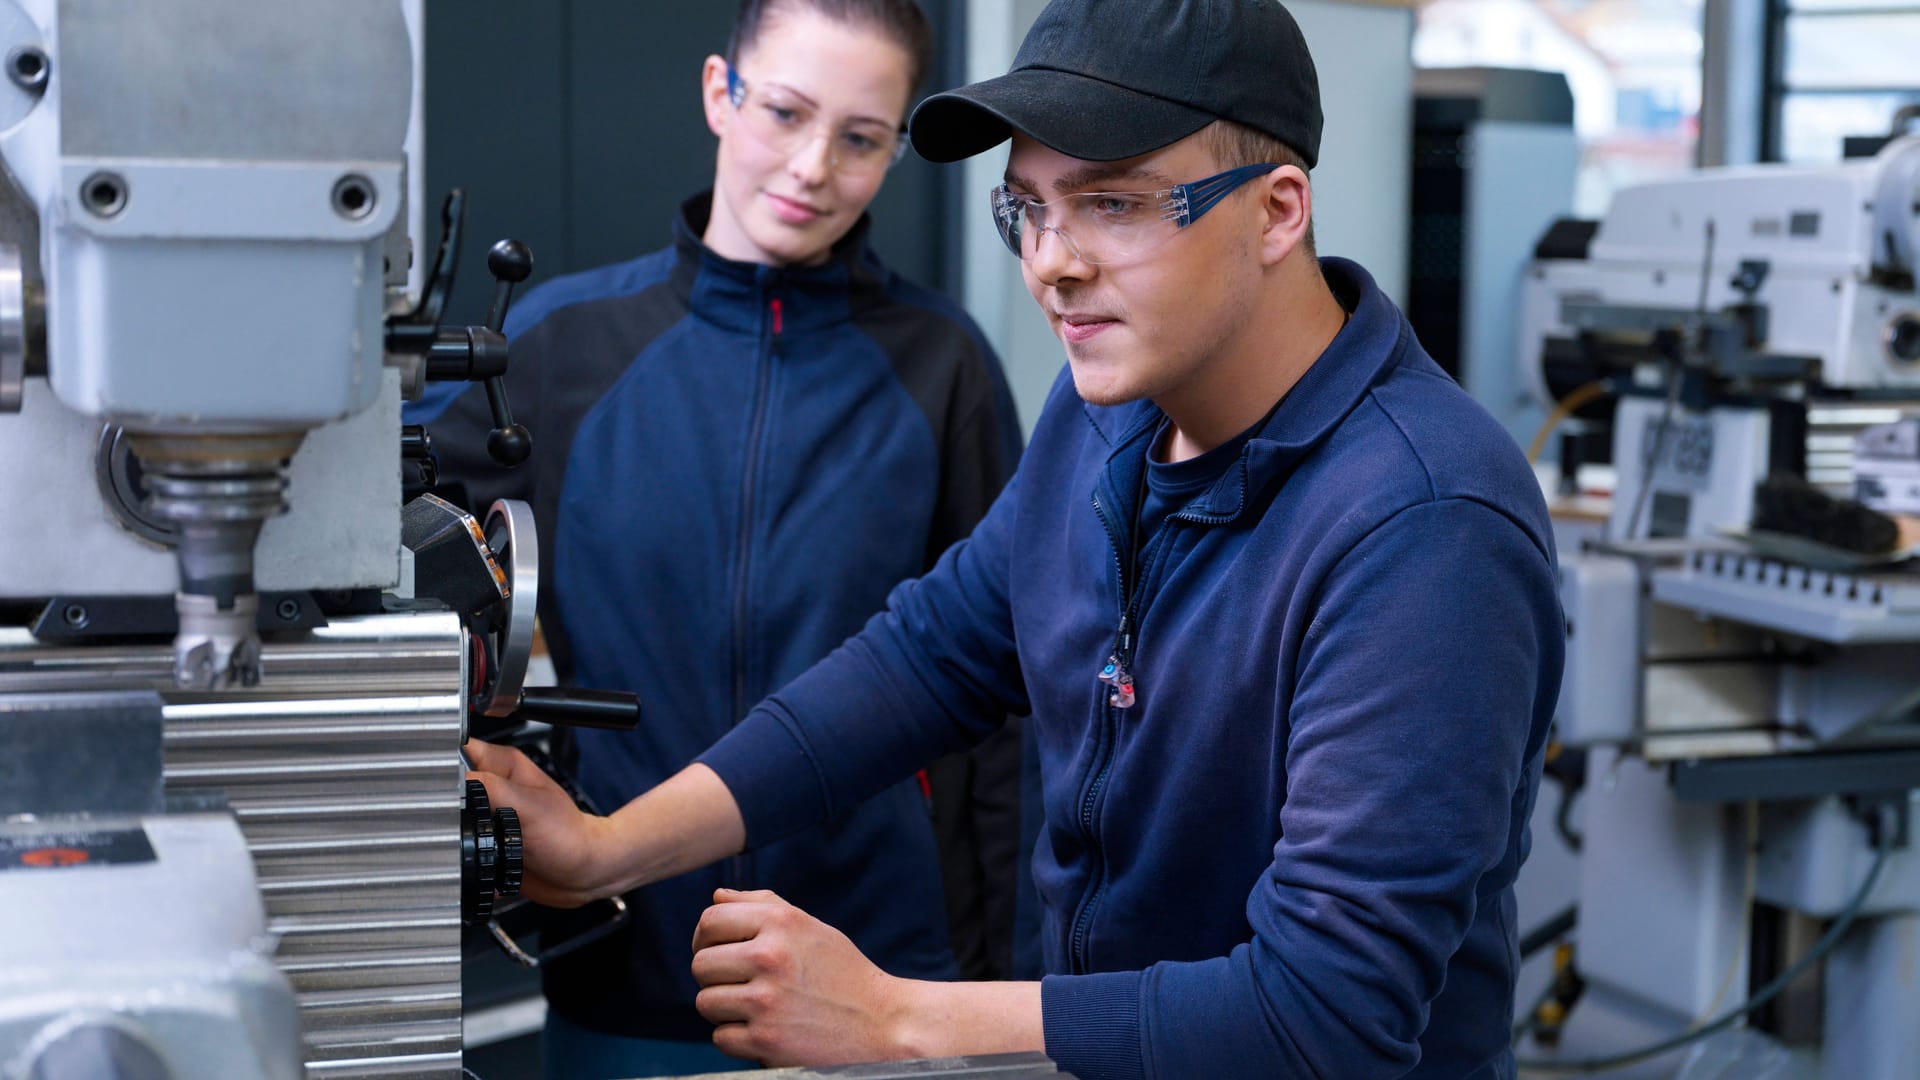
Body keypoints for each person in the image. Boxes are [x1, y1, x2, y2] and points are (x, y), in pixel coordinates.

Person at [468, 0, 1566, 1076]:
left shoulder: (1425, 524)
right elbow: (927, 660)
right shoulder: (1107, 421)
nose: (1052, 263)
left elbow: (1327, 1014)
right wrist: (612, 846)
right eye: (1029, 209)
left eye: (1115, 206)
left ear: (1277, 212)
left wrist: (898, 1018)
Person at [412, 1, 1029, 1075]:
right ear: (718, 92)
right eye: (784, 112)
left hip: (876, 980)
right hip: (624, 961)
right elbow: (370, 545)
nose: (811, 165)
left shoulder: (944, 367)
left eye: (859, 137)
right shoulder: (556, 349)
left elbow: (1007, 709)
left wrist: (982, 986)